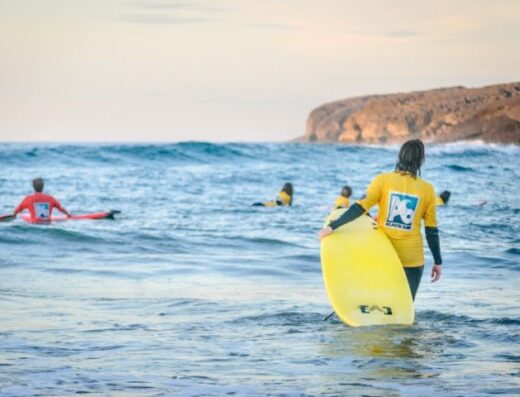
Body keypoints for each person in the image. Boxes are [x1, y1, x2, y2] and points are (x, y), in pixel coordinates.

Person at [319, 139, 442, 300]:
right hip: (412, 260)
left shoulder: (382, 180)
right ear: (421, 160)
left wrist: (332, 226)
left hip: (385, 253)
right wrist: (437, 261)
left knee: (379, 304)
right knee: (403, 309)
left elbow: (359, 207)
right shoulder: (427, 189)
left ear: (400, 156)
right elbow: (431, 230)